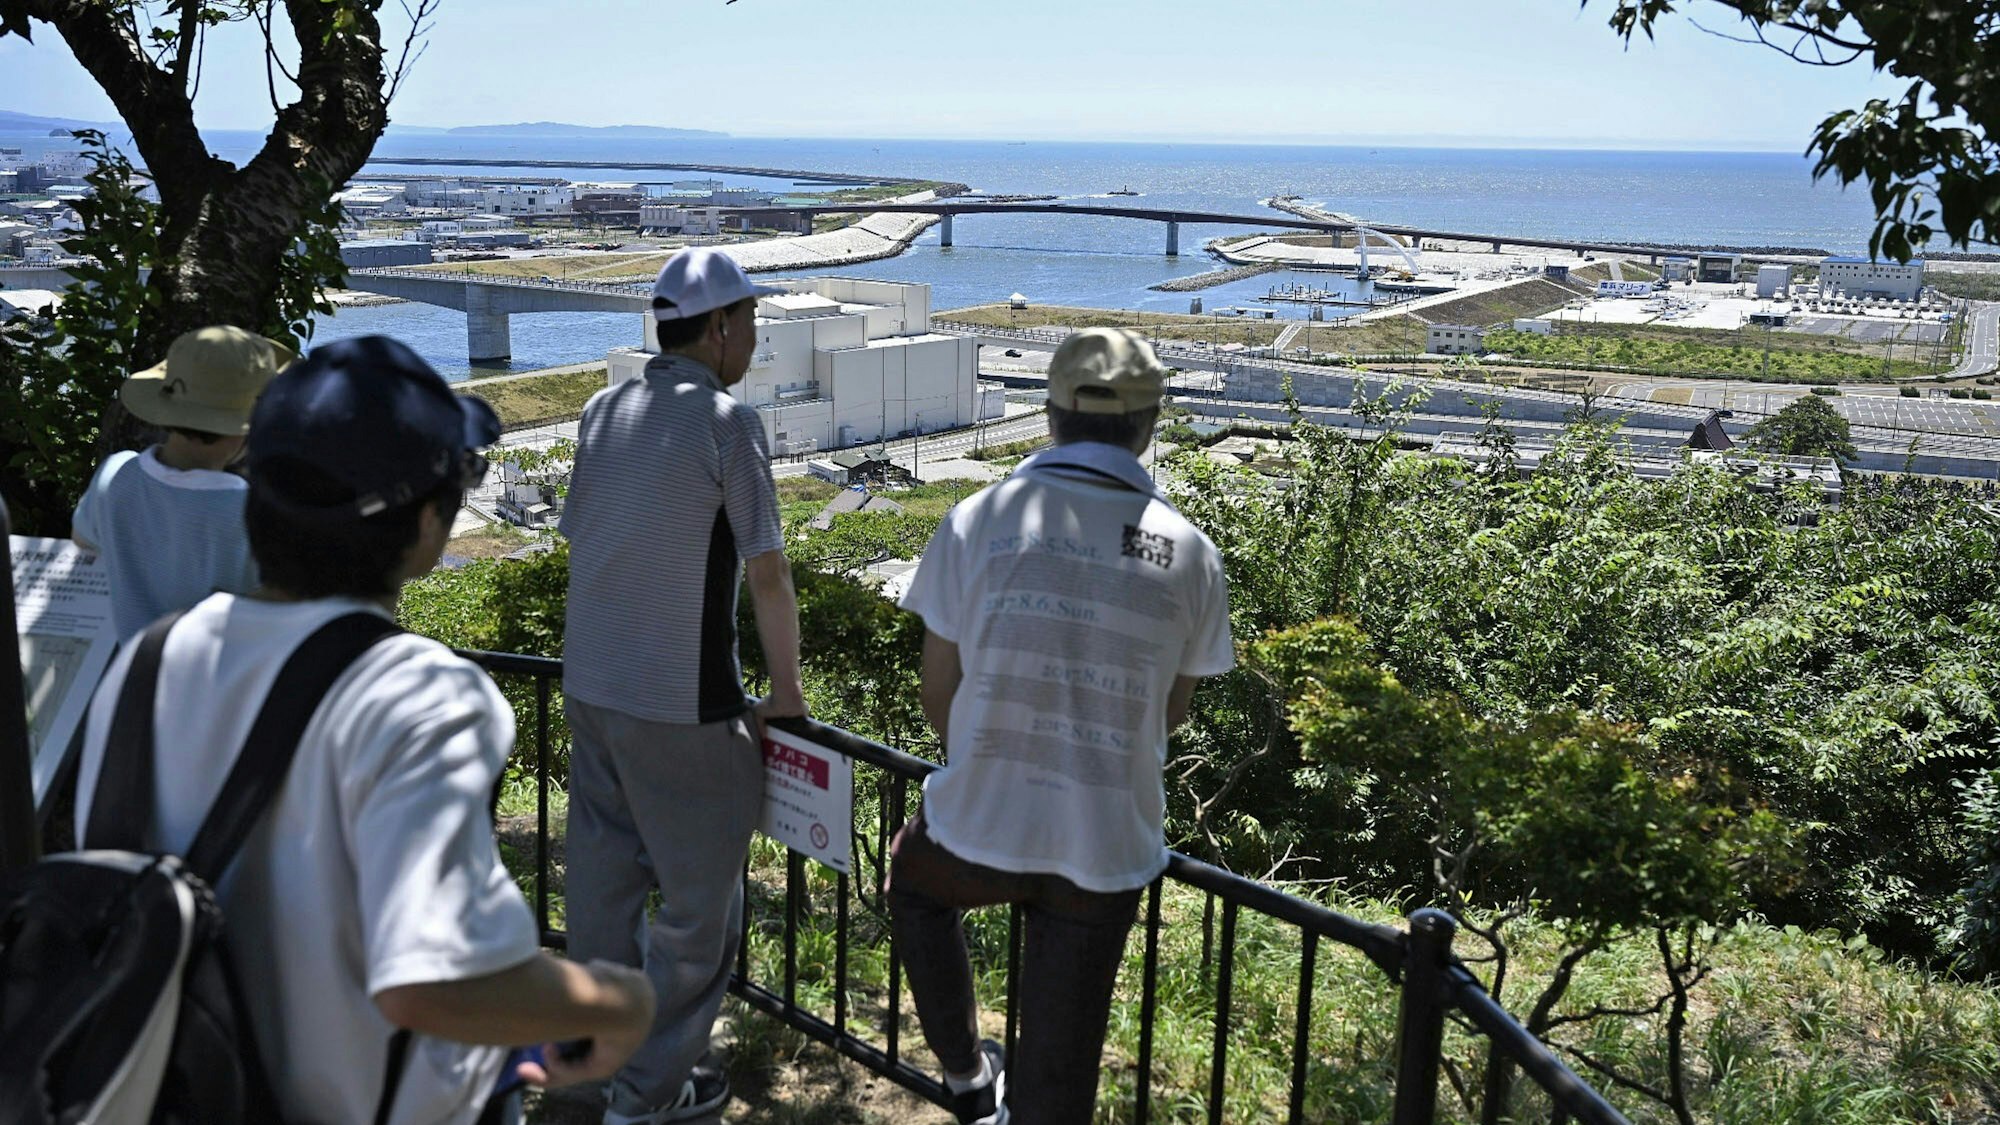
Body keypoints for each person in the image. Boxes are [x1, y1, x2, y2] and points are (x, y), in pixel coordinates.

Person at [71, 335, 657, 1125]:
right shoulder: (420, 694)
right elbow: (432, 980)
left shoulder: (141, 669)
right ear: (425, 524)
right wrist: (619, 1000)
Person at [891, 328, 1235, 1124]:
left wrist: (987, 763)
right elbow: (1170, 712)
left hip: (978, 823)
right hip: (1106, 840)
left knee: (914, 883)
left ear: (1049, 415)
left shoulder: (979, 519)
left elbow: (936, 689)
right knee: (1061, 1065)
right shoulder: (1189, 551)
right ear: (1150, 424)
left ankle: (967, 1074)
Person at [559, 248, 809, 1125]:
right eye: (748, 321)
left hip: (590, 686)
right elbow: (768, 574)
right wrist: (786, 694)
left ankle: (589, 1075)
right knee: (701, 917)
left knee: (601, 899)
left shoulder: (603, 407)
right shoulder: (726, 422)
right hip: (682, 703)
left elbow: (584, 535)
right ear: (717, 328)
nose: (752, 335)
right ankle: (647, 1091)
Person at [71, 325, 292, 639]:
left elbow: (83, 537)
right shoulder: (253, 510)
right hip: (220, 677)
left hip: (134, 671)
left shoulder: (115, 475)